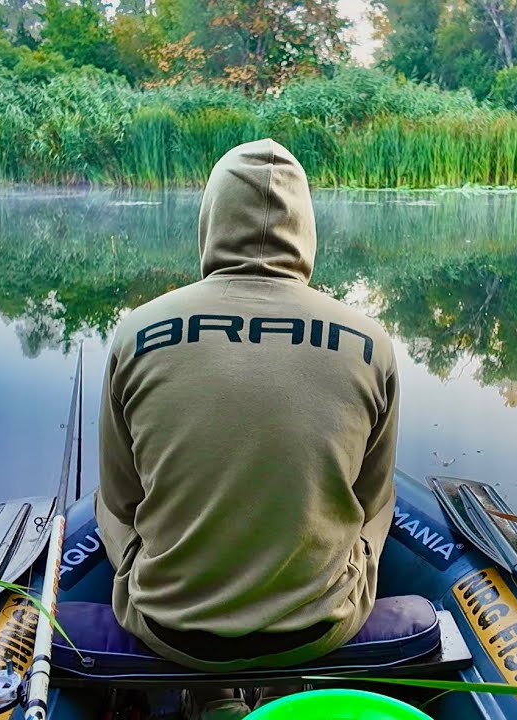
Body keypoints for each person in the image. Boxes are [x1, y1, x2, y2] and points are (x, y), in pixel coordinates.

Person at [94, 139, 400, 718]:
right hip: (318, 627)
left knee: (105, 507)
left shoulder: (136, 332)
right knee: (378, 505)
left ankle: (210, 693)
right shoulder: (370, 342)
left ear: (210, 220)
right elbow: (370, 498)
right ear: (306, 226)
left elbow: (121, 498)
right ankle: (287, 684)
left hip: (170, 627)